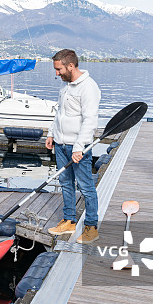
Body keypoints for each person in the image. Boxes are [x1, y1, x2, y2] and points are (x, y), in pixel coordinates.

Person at [45, 49, 101, 244]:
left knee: (86, 187)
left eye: (59, 69)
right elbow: (59, 113)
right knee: (65, 184)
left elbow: (90, 121)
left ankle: (91, 227)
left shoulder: (88, 87)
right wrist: (52, 133)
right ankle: (69, 220)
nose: (56, 73)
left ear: (71, 66)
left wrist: (79, 146)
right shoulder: (66, 86)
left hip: (78, 148)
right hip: (60, 145)